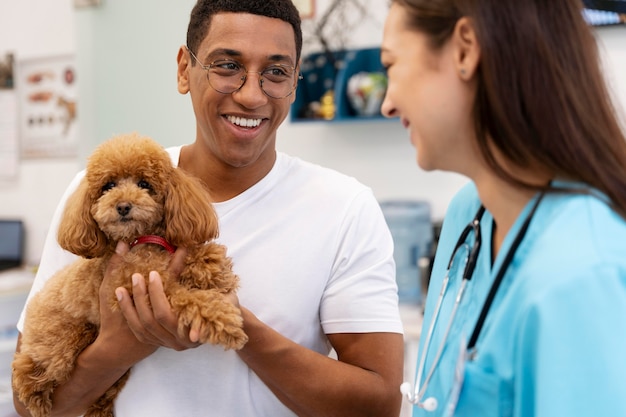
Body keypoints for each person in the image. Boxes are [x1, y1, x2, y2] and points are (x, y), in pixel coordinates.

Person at [13, 1, 405, 416]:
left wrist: (239, 327)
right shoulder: (94, 199)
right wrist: (115, 349)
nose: (252, 95)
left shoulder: (346, 209)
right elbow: (27, 403)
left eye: (276, 72)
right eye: (227, 66)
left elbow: (380, 405)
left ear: (294, 83)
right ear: (185, 69)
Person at [380, 0, 626, 416]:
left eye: (391, 65)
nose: (387, 103)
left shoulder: (583, 273)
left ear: (464, 50)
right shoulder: (468, 215)